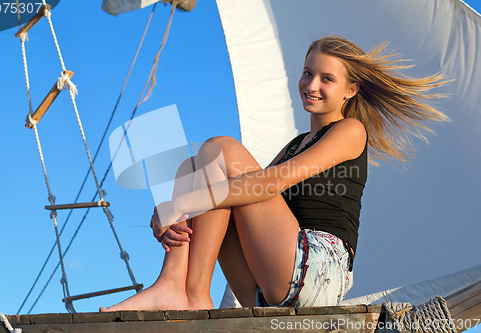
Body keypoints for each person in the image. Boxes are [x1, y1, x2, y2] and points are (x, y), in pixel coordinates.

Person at [100, 35, 449, 311]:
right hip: (269, 287)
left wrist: (176, 205)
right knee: (196, 168)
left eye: (326, 79)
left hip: (317, 272)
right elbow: (238, 193)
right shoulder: (296, 144)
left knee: (220, 149)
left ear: (350, 90)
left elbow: (271, 183)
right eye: (307, 73)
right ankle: (177, 285)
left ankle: (187, 292)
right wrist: (182, 205)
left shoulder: (350, 130)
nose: (311, 85)